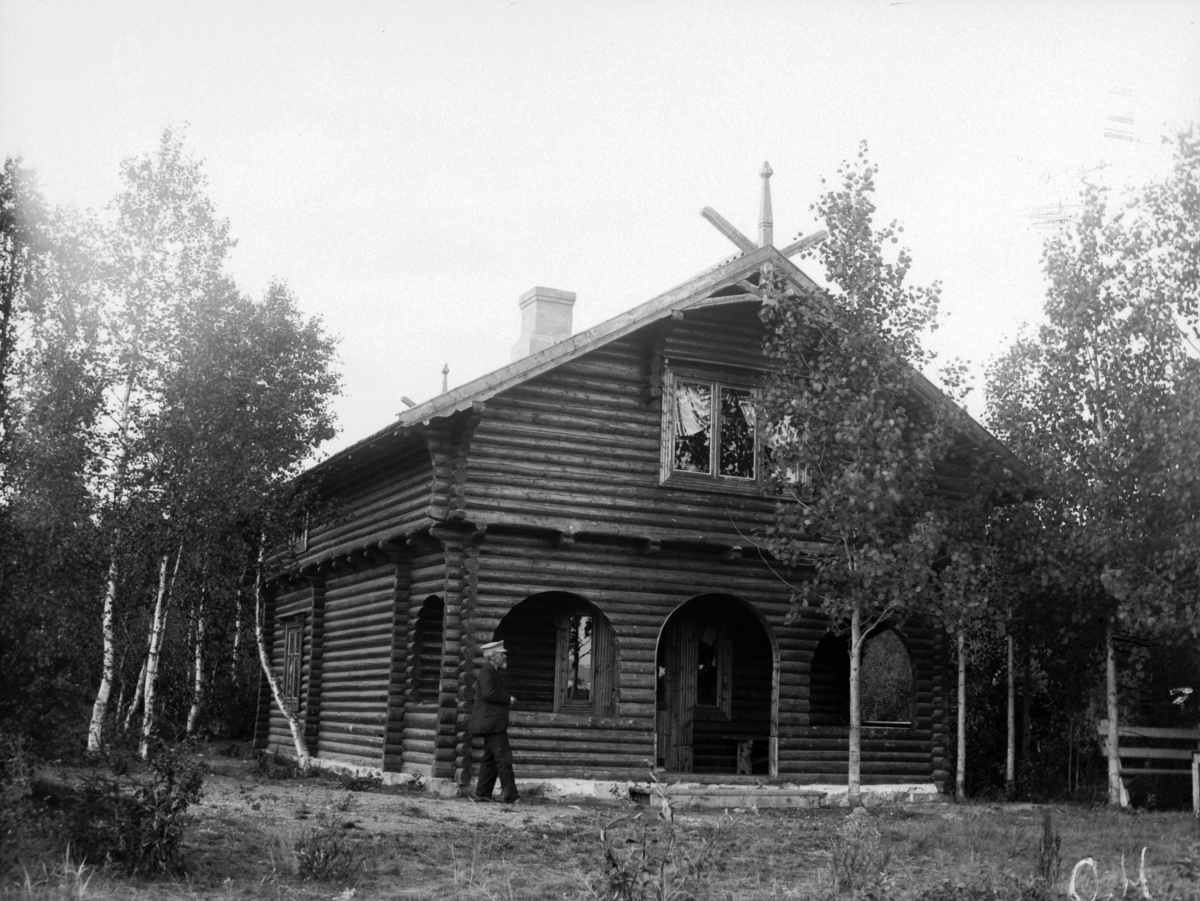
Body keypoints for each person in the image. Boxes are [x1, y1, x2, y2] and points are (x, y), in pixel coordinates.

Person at [469, 640, 520, 804]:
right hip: (493, 724)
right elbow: (489, 694)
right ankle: (510, 796)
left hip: (492, 722)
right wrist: (508, 699)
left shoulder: (490, 671)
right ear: (493, 656)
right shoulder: (486, 672)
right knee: (504, 758)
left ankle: (482, 793)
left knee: (490, 759)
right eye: (501, 654)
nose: (504, 656)